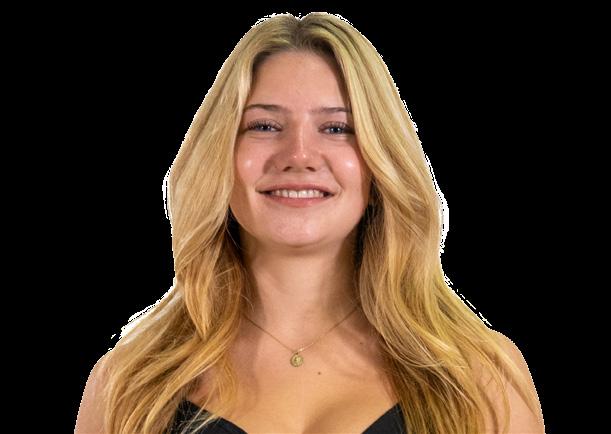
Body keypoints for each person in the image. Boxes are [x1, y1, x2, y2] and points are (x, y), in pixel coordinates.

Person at [75, 12, 545, 434]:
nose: (299, 155)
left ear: (381, 161)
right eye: (264, 126)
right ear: (220, 155)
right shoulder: (129, 387)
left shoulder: (479, 378)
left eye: (337, 128)